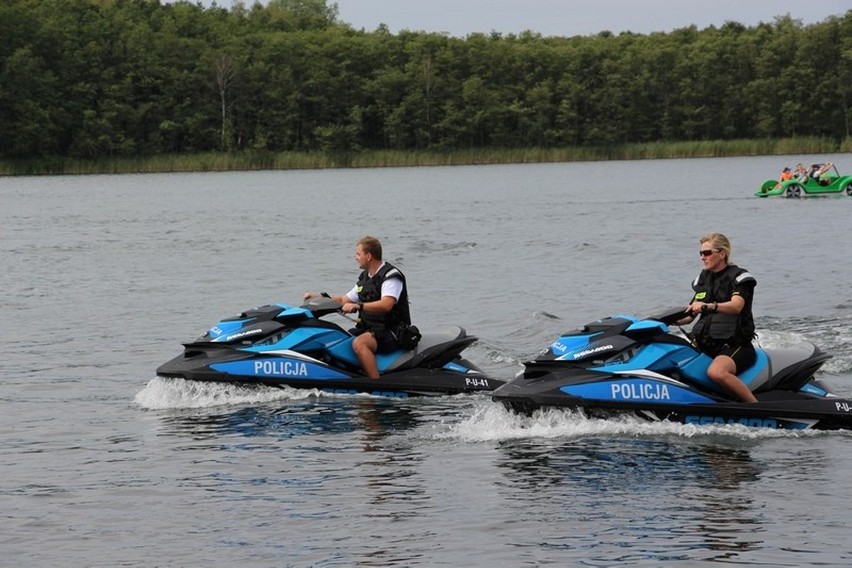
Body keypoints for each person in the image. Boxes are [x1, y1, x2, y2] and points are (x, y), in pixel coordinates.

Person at [304, 236, 412, 379]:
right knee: (340, 339)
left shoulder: (391, 276)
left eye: (358, 254)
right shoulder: (365, 278)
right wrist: (318, 297)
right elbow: (344, 299)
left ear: (368, 256)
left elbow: (387, 304)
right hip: (371, 328)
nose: (355, 257)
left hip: (392, 330)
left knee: (359, 343)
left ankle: (375, 383)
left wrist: (358, 306)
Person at [677, 233, 758, 403]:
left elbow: (736, 306)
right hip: (706, 345)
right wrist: (660, 321)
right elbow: (689, 316)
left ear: (722, 254)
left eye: (707, 253)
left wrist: (709, 306)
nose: (702, 258)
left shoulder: (739, 277)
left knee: (716, 372)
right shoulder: (703, 280)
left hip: (736, 346)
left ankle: (757, 408)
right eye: (700, 253)